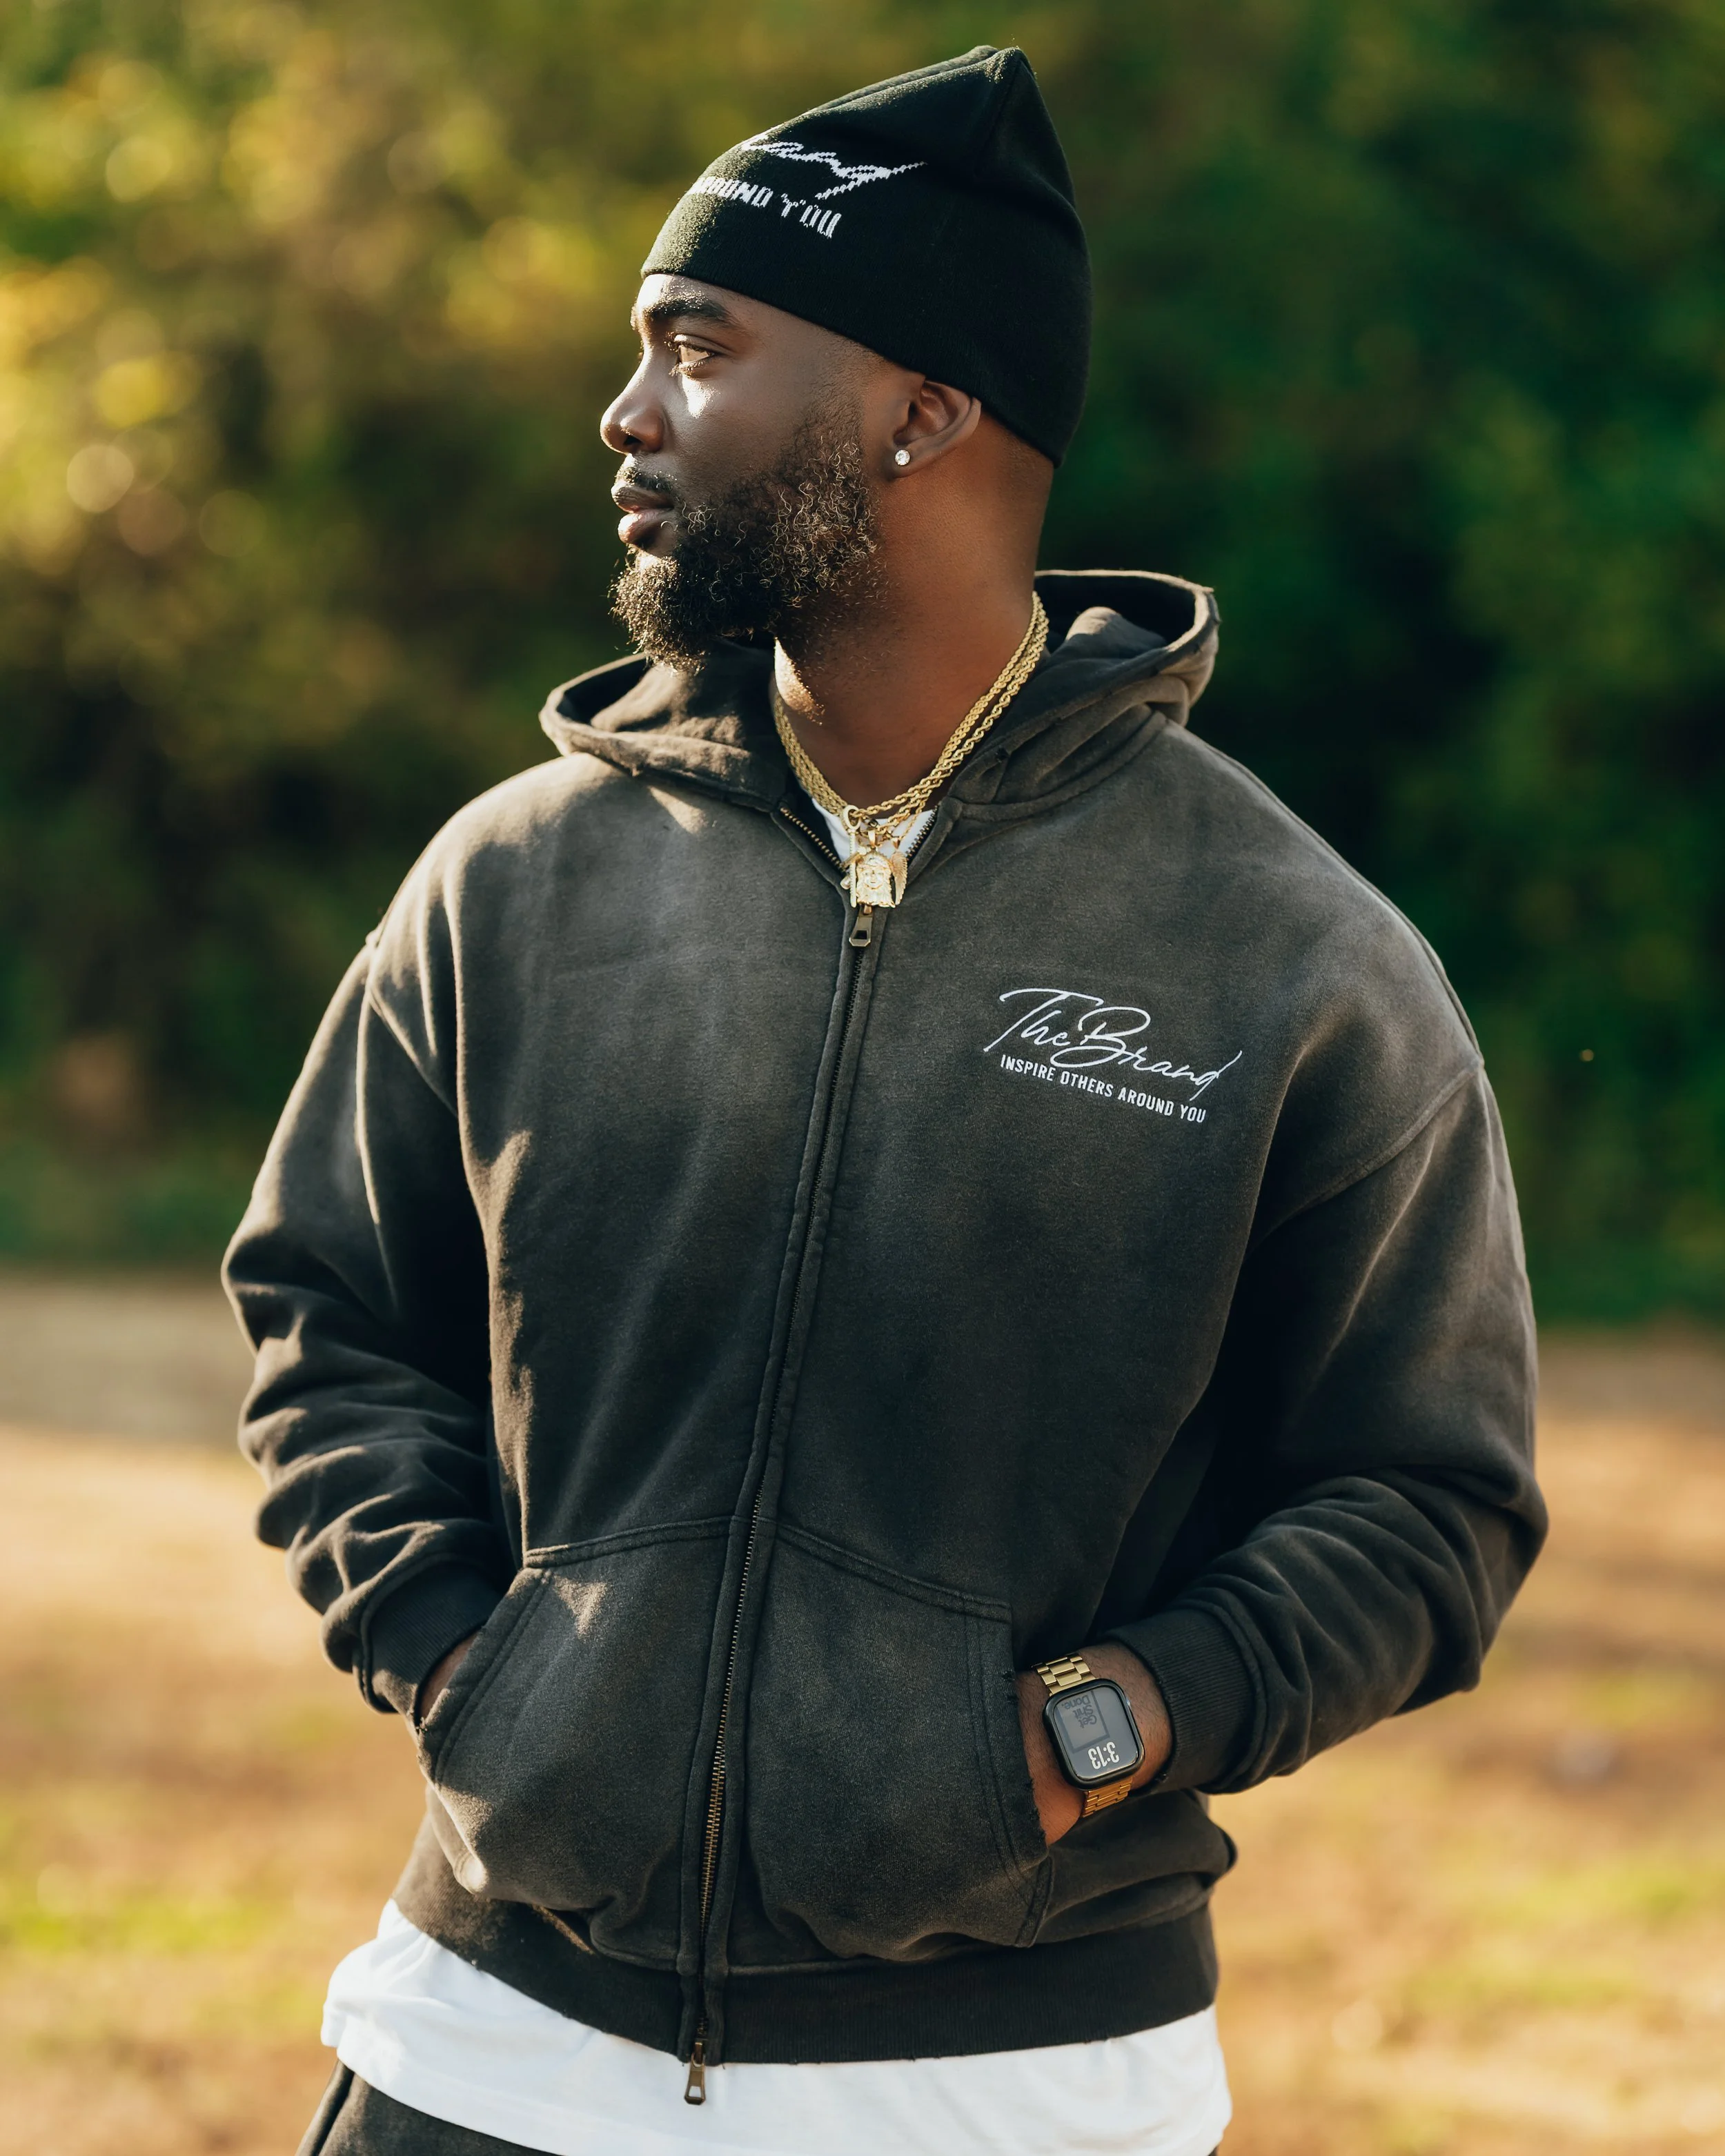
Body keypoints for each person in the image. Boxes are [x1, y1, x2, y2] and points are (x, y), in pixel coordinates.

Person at [226, 46, 1546, 2156]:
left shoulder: (1286, 953)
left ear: (923, 411)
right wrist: (463, 1655)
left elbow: (1422, 1493)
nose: (625, 413)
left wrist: (1108, 1723)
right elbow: (332, 1311)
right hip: (491, 2045)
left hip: (1011, 2087)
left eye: (696, 348)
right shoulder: (517, 879)